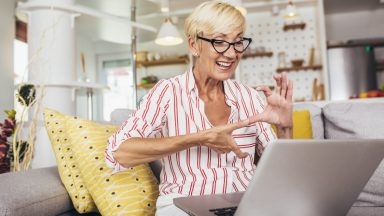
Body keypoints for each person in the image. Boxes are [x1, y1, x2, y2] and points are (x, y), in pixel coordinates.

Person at [106, 1, 293, 215]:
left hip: (246, 204)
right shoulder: (167, 92)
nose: (231, 54)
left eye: (238, 42)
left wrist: (285, 127)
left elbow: (283, 174)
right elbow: (118, 153)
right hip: (183, 206)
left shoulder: (249, 96)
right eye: (219, 42)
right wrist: (199, 138)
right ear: (194, 45)